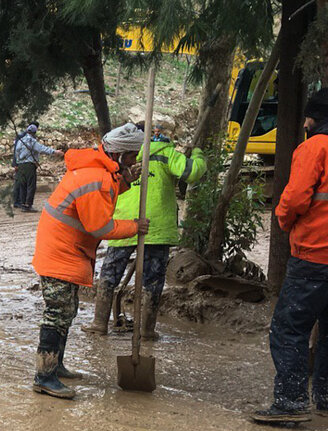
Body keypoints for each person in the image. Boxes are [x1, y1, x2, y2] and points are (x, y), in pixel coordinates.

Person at [252, 88, 328, 424]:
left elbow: (293, 201)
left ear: (317, 117)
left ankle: (291, 404)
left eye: (309, 116)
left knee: (288, 329)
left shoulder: (314, 148)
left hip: (315, 256)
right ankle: (327, 400)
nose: (306, 121)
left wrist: (283, 220)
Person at [29, 122, 149, 399]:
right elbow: (100, 227)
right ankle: (43, 377)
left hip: (65, 250)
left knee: (66, 311)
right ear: (118, 155)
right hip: (61, 252)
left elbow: (104, 195)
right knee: (57, 314)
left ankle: (55, 366)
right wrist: (135, 226)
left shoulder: (100, 173)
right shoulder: (95, 178)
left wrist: (125, 181)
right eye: (131, 156)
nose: (134, 160)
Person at [84, 126, 207, 339]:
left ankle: (99, 323)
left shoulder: (126, 153)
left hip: (123, 224)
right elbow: (193, 172)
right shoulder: (167, 153)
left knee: (110, 273)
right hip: (156, 227)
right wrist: (197, 153)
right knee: (153, 279)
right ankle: (147, 330)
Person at [11, 124, 62, 212]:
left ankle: (23, 204)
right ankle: (28, 205)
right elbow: (42, 149)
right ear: (34, 133)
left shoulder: (20, 141)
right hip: (29, 165)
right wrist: (55, 152)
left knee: (23, 185)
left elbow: (16, 153)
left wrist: (17, 163)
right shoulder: (31, 141)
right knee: (31, 185)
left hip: (20, 166)